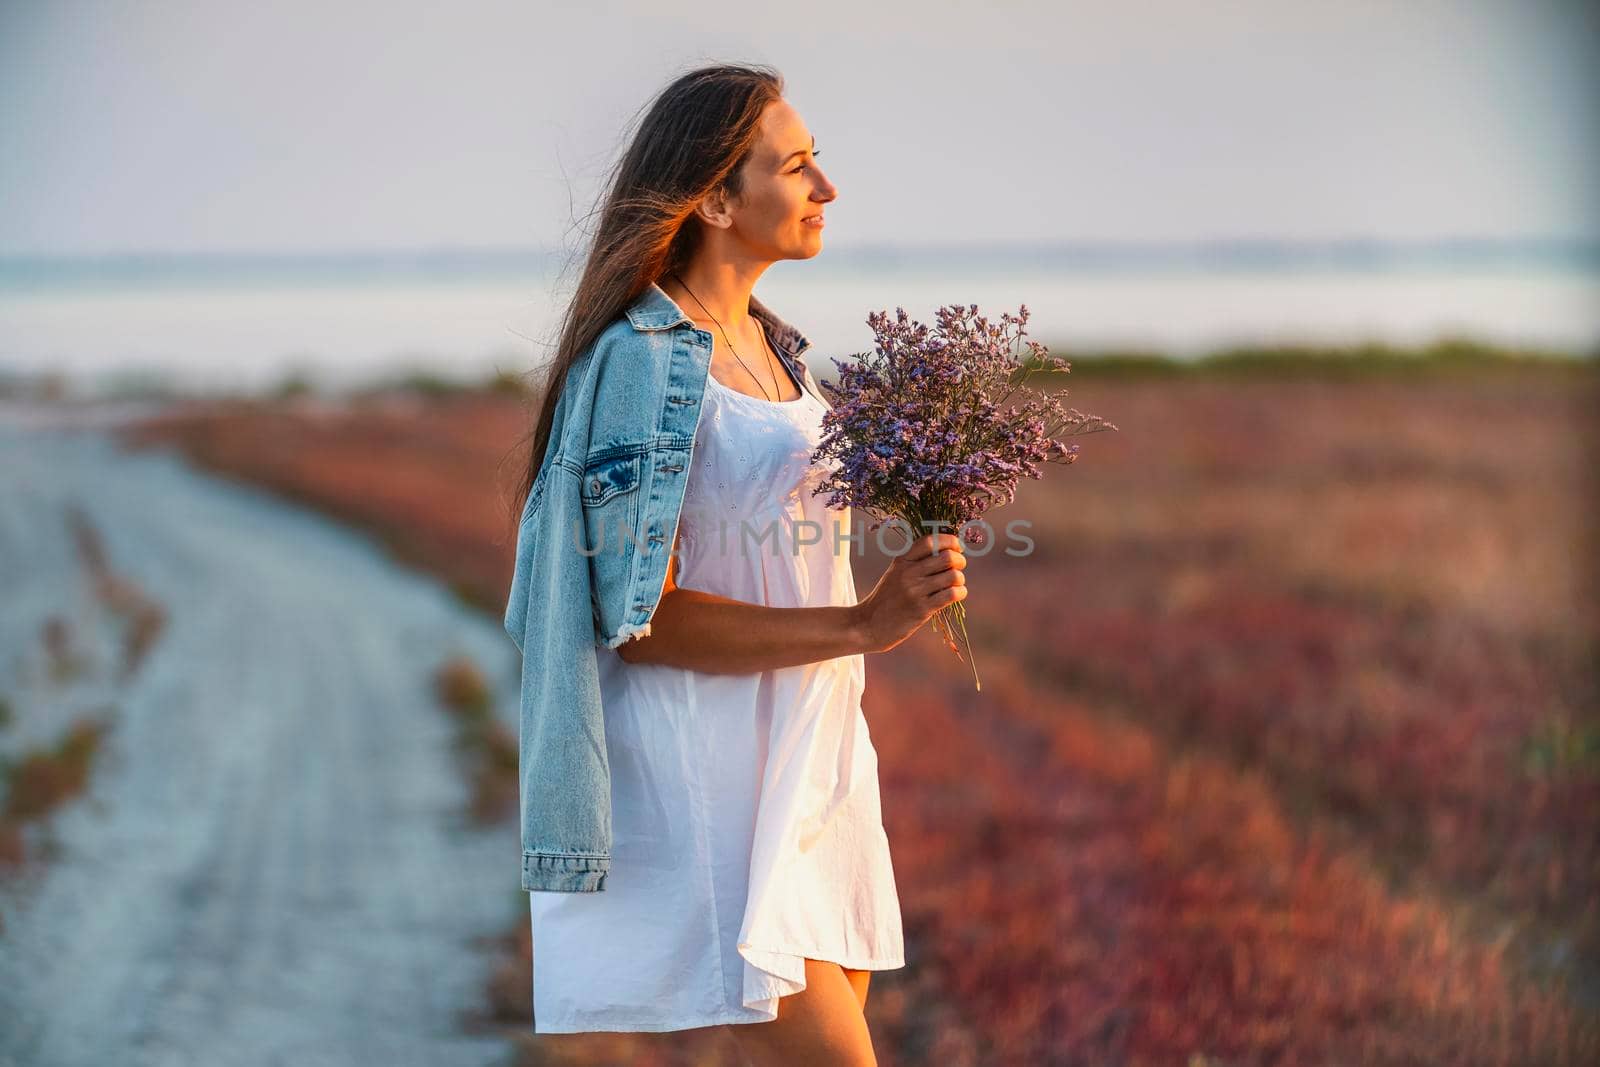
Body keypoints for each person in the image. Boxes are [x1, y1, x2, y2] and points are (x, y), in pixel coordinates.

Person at [507, 63, 969, 1066]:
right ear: (716, 197)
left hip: (815, 746)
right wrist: (860, 623)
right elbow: (642, 617)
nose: (825, 189)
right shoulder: (639, 360)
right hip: (706, 766)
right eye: (796, 166)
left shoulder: (780, 351)